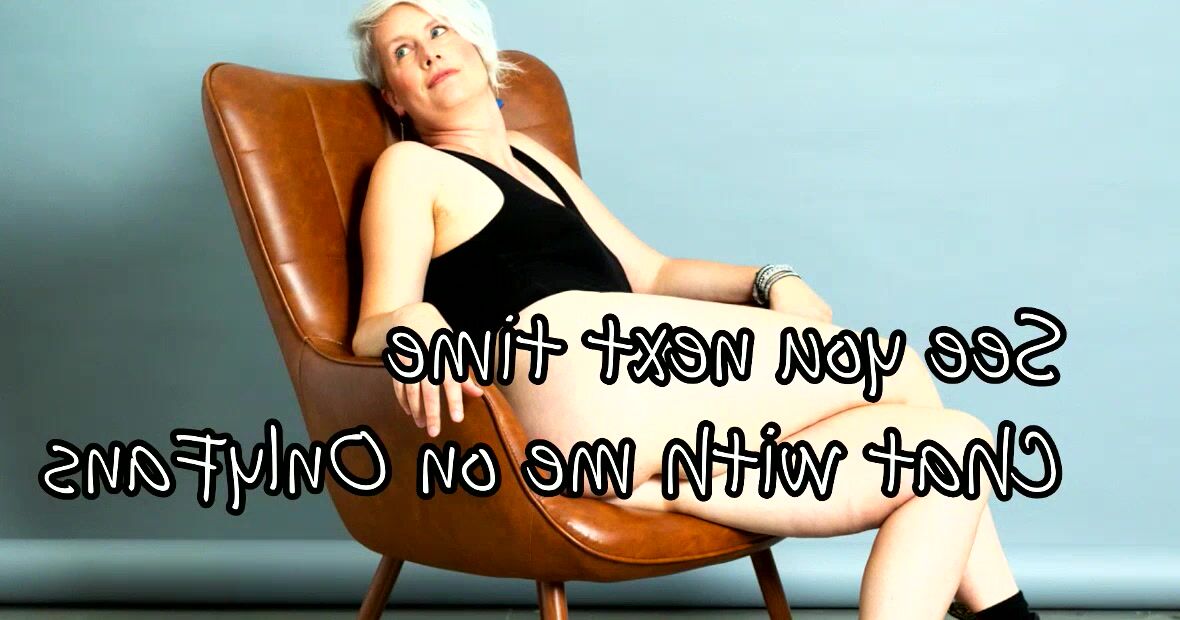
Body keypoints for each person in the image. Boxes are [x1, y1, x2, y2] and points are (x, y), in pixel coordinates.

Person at [346, 1, 1038, 618]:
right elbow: (375, 323)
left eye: (439, 30)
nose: (428, 51)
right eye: (403, 50)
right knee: (899, 369)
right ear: (394, 98)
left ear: (478, 49)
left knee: (950, 449)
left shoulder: (533, 158)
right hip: (575, 388)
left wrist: (771, 279)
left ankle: (659, 484)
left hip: (649, 420)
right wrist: (419, 322)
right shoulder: (412, 168)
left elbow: (652, 273)